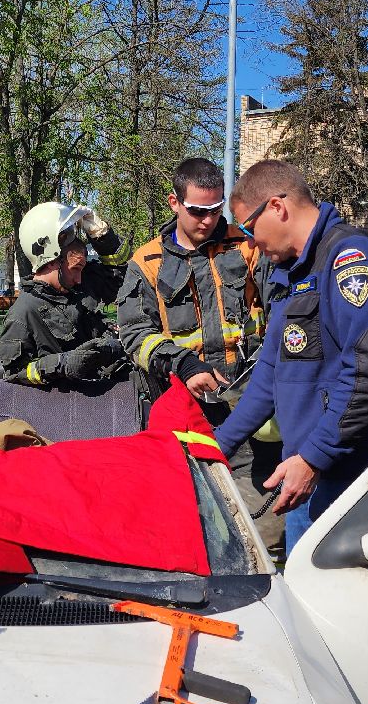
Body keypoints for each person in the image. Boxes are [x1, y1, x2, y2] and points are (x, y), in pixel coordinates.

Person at [214, 160, 368, 554]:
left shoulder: (351, 258)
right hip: (309, 468)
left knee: (342, 601)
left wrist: (314, 458)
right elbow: (271, 374)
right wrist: (218, 445)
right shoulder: (292, 274)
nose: (250, 242)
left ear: (276, 207)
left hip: (353, 473)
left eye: (248, 228)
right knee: (305, 594)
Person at [117, 156, 277, 548]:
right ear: (174, 202)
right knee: (191, 520)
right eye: (197, 210)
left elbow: (280, 309)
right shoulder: (148, 262)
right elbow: (135, 333)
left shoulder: (247, 246)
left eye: (215, 209)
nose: (207, 220)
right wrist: (184, 363)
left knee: (264, 525)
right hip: (185, 410)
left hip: (250, 405)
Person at [0, 201, 129, 387]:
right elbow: (14, 374)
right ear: (51, 261)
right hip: (67, 409)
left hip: (112, 393)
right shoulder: (24, 313)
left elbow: (123, 275)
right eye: (75, 269)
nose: (79, 279)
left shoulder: (81, 284)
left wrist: (101, 236)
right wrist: (62, 364)